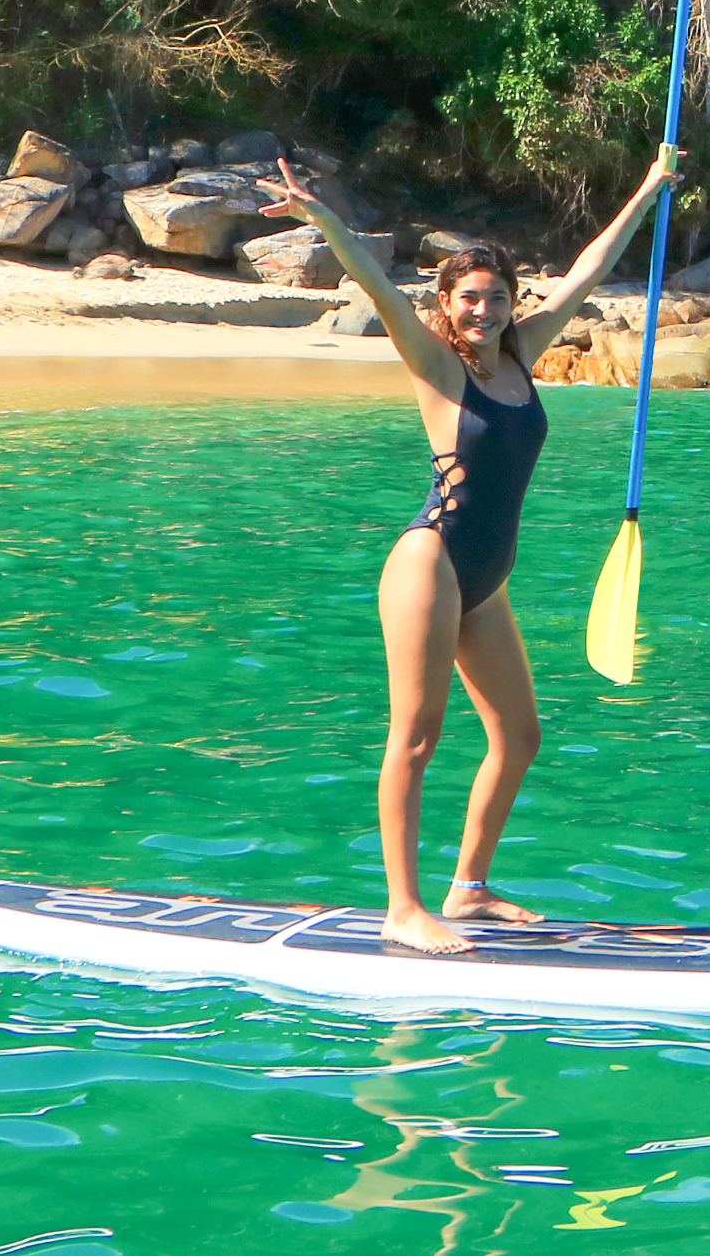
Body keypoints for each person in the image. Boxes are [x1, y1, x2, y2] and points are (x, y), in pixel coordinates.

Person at [249, 150, 683, 956]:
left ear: (513, 303)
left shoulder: (521, 353)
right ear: (447, 304)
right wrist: (327, 223)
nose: (484, 309)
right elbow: (379, 289)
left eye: (497, 297)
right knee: (414, 739)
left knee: (519, 737)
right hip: (432, 562)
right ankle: (403, 907)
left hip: (485, 583)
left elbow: (588, 272)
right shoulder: (439, 365)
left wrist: (649, 190)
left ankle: (470, 888)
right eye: (469, 298)